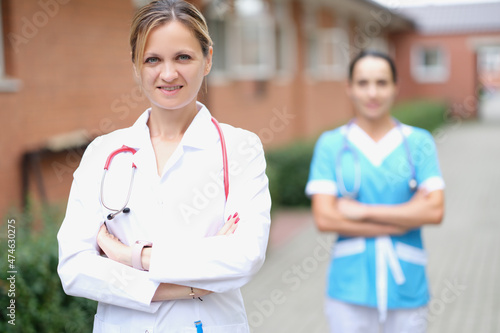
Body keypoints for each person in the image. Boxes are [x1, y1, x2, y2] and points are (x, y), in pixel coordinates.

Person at [57, 1, 271, 332]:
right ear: (135, 66)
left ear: (208, 59)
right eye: (153, 59)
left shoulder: (240, 148)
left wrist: (130, 256)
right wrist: (185, 286)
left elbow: (245, 256)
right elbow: (74, 268)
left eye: (183, 57)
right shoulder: (103, 153)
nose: (168, 74)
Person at [306, 50, 445, 333]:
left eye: (382, 83)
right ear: (349, 88)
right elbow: (325, 219)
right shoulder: (331, 144)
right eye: (363, 83)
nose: (372, 93)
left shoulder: (418, 142)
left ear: (395, 87)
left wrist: (362, 212)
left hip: (407, 284)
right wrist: (405, 218)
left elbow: (435, 211)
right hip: (350, 290)